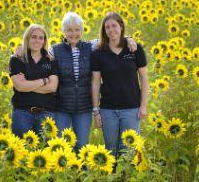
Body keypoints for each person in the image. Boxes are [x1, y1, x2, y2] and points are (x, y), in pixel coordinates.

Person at [50, 12, 137, 152]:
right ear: (63, 31)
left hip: (84, 107)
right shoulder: (54, 50)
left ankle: (81, 173)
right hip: (61, 107)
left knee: (82, 146)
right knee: (60, 146)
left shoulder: (91, 47)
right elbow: (38, 56)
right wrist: (17, 54)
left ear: (82, 31)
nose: (73, 33)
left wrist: (128, 39)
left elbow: (113, 37)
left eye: (77, 29)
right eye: (69, 30)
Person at [91, 12, 148, 158]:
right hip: (108, 110)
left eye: (114, 26)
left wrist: (143, 106)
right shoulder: (99, 52)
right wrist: (96, 110)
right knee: (111, 151)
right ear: (104, 31)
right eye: (107, 27)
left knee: (130, 151)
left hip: (131, 108)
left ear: (121, 26)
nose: (111, 30)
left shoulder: (135, 49)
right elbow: (96, 83)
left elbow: (144, 79)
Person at [9, 24, 58, 138]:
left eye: (41, 38)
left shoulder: (51, 60)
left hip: (46, 113)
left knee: (46, 152)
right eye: (34, 37)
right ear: (27, 38)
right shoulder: (17, 59)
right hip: (22, 112)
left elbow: (53, 87)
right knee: (21, 151)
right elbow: (20, 86)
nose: (37, 40)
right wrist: (45, 80)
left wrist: (27, 84)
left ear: (45, 41)